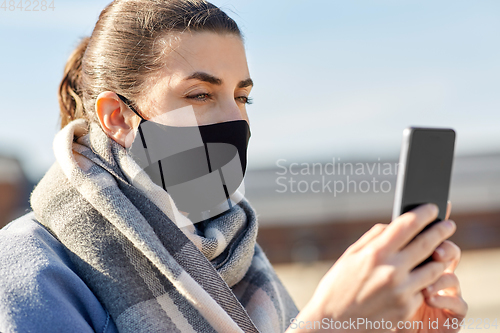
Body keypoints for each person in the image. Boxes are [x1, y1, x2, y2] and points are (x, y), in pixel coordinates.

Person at [0, 0, 467, 332]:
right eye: (200, 95)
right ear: (118, 117)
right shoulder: (28, 269)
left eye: (241, 96)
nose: (234, 119)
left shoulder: (240, 257)